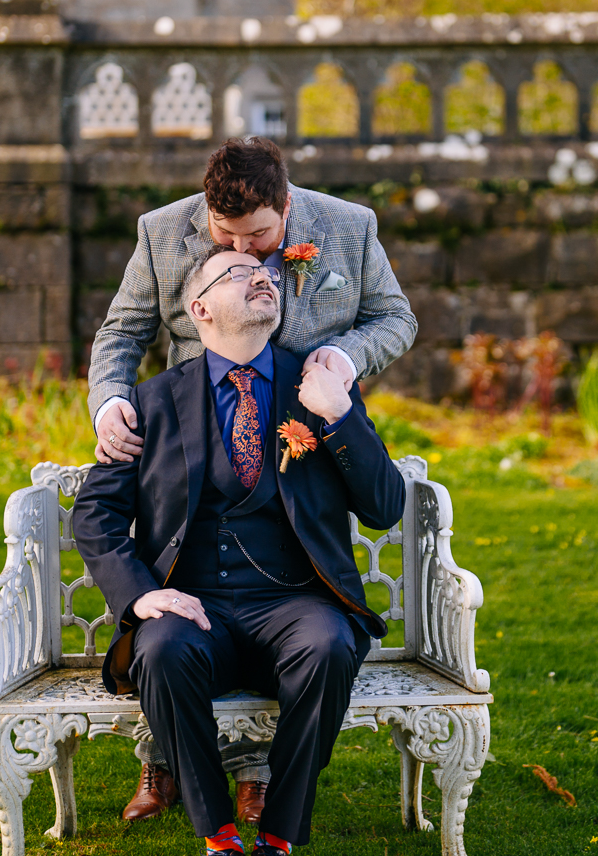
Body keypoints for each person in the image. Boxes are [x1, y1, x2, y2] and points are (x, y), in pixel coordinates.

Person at [85, 135, 418, 822]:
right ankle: (165, 762)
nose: (244, 251)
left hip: (309, 424)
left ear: (287, 208)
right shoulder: (159, 233)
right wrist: (114, 398)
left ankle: (261, 783)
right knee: (174, 622)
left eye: (260, 236)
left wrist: (340, 364)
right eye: (225, 235)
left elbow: (395, 318)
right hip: (182, 428)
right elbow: (121, 331)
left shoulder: (349, 227)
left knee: (309, 623)